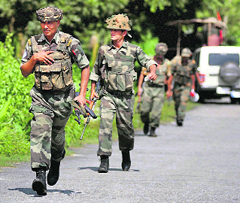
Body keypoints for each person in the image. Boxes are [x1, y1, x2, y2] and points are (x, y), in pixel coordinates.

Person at [20, 7, 90, 195]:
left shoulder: (70, 42)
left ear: (58, 23)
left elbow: (85, 66)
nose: (46, 25)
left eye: (50, 22)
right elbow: (24, 71)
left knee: (57, 136)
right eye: (43, 22)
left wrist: (81, 95)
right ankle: (40, 175)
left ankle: (56, 161)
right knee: (40, 130)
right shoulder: (32, 43)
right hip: (41, 96)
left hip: (64, 98)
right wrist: (34, 58)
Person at [89, 14, 157, 173]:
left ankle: (126, 153)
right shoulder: (104, 50)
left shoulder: (134, 50)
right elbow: (95, 71)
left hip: (126, 97)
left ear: (124, 32)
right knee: (105, 125)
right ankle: (104, 159)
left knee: (125, 129)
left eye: (116, 30)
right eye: (111, 29)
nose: (112, 32)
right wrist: (92, 91)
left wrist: (152, 72)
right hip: (108, 95)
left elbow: (149, 62)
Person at [137, 43, 171, 137]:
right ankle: (146, 123)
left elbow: (169, 77)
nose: (161, 55)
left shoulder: (167, 63)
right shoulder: (148, 60)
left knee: (156, 111)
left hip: (159, 89)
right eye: (159, 53)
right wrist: (139, 88)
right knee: (144, 110)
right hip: (148, 88)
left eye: (162, 53)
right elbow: (142, 74)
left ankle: (153, 128)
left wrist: (169, 90)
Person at [167, 48, 196, 126]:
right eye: (183, 56)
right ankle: (178, 114)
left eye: (186, 56)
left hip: (187, 85)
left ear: (189, 56)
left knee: (183, 100)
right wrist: (169, 88)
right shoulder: (176, 62)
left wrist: (193, 86)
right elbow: (171, 75)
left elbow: (193, 75)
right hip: (177, 84)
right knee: (177, 102)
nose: (185, 58)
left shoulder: (192, 63)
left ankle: (180, 118)